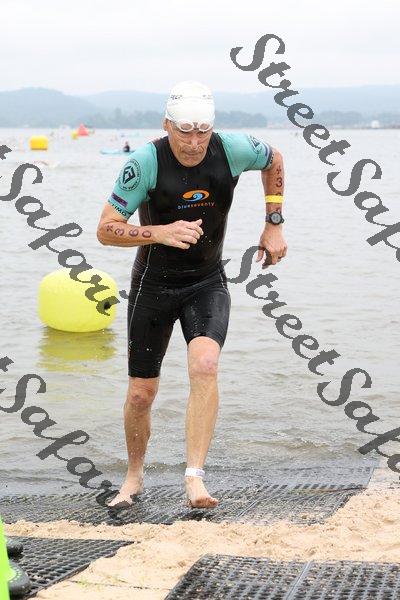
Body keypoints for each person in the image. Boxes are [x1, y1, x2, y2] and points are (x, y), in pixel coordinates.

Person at [97, 80, 287, 509]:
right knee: (141, 393)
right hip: (154, 285)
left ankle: (194, 478)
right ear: (167, 125)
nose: (194, 142)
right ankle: (133, 475)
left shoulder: (233, 149)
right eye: (185, 131)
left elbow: (274, 158)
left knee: (205, 364)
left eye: (203, 131)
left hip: (206, 281)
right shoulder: (145, 162)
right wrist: (160, 233)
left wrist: (273, 223)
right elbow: (106, 228)